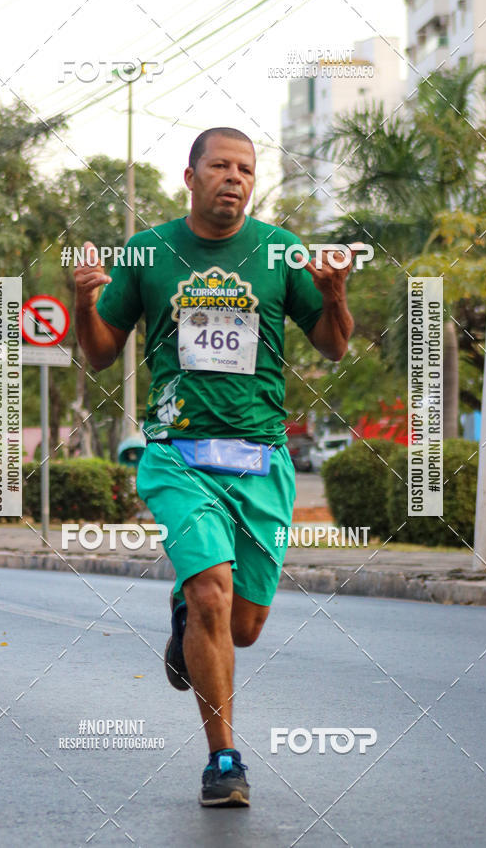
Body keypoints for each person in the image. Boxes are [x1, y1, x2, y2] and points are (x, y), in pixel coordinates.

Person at [74, 127, 354, 807]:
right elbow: (102, 352)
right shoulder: (148, 251)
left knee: (243, 627)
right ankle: (223, 760)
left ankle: (186, 622)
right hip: (178, 454)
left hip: (261, 459)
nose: (236, 178)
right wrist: (83, 299)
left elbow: (334, 345)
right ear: (191, 176)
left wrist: (336, 293)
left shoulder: (282, 251)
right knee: (210, 592)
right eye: (222, 166)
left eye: (247, 170)